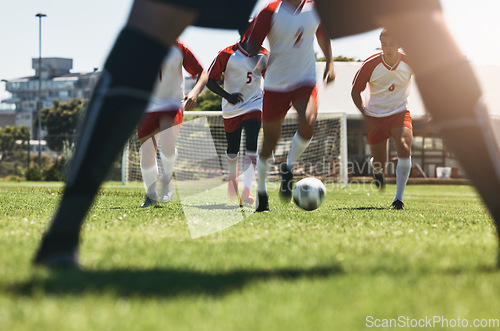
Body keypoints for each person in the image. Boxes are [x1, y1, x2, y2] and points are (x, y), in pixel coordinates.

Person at [34, 0, 500, 268]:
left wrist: (322, 63)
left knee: (155, 17)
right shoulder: (263, 24)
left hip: (274, 92)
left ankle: (60, 237)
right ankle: (64, 233)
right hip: (261, 95)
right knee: (421, 20)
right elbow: (245, 53)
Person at [245, 0, 335, 212]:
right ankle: (262, 193)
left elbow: (322, 33)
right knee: (269, 143)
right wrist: (261, 59)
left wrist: (330, 62)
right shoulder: (269, 12)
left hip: (305, 79)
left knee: (308, 121)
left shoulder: (316, 8)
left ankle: (288, 168)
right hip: (276, 84)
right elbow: (251, 44)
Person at [138, 40, 207, 207]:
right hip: (146, 105)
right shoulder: (139, 45)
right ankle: (151, 195)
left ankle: (167, 181)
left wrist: (194, 93)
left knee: (168, 140)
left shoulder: (179, 48)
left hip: (172, 103)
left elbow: (202, 73)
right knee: (147, 154)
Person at [351, 29, 413, 210]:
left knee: (403, 145)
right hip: (375, 116)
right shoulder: (370, 64)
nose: (388, 48)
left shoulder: (410, 61)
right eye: (384, 44)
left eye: (392, 44)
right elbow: (355, 92)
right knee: (380, 163)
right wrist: (364, 115)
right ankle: (376, 170)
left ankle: (398, 200)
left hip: (400, 112)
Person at [206, 25, 268, 205]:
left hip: (254, 104)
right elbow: (210, 80)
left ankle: (247, 191)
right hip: (232, 107)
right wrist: (227, 96)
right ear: (244, 33)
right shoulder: (226, 54)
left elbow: (271, 78)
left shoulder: (265, 54)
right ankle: (232, 181)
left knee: (251, 145)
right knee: (233, 150)